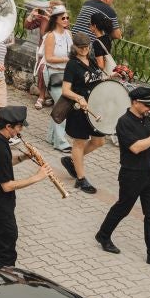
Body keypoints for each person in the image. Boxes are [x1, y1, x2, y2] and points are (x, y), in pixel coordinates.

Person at [94, 86, 150, 270]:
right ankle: (103, 235)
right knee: (122, 208)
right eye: (147, 105)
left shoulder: (147, 119)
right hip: (131, 174)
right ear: (135, 102)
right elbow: (136, 147)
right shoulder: (124, 122)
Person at [0, 105, 54, 268]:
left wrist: (24, 157)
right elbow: (7, 186)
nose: (20, 131)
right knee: (8, 246)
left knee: (3, 240)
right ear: (8, 126)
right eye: (18, 127)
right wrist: (37, 177)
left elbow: (3, 164)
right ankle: (7, 274)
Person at [58, 33, 106, 194]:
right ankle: (81, 179)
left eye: (87, 47)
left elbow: (97, 79)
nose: (85, 50)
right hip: (79, 109)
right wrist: (79, 98)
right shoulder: (72, 65)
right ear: (75, 47)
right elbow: (65, 90)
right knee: (79, 142)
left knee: (99, 141)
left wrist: (114, 75)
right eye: (81, 47)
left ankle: (73, 160)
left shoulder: (91, 60)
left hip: (94, 107)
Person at [42, 7, 74, 153]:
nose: (66, 20)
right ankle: (60, 142)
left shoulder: (68, 34)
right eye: (63, 18)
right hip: (54, 73)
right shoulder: (51, 36)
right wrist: (66, 59)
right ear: (56, 19)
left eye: (67, 17)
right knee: (63, 107)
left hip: (66, 74)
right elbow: (48, 58)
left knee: (59, 106)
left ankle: (51, 136)